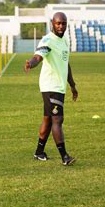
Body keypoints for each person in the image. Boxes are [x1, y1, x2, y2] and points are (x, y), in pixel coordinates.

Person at [24, 12, 78, 166]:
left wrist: (73, 85)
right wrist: (31, 64)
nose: (60, 26)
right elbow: (38, 57)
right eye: (58, 23)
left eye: (63, 23)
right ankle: (65, 157)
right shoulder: (47, 40)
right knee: (57, 119)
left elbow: (65, 63)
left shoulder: (65, 40)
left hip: (59, 86)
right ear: (52, 24)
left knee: (48, 119)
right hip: (50, 86)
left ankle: (39, 152)